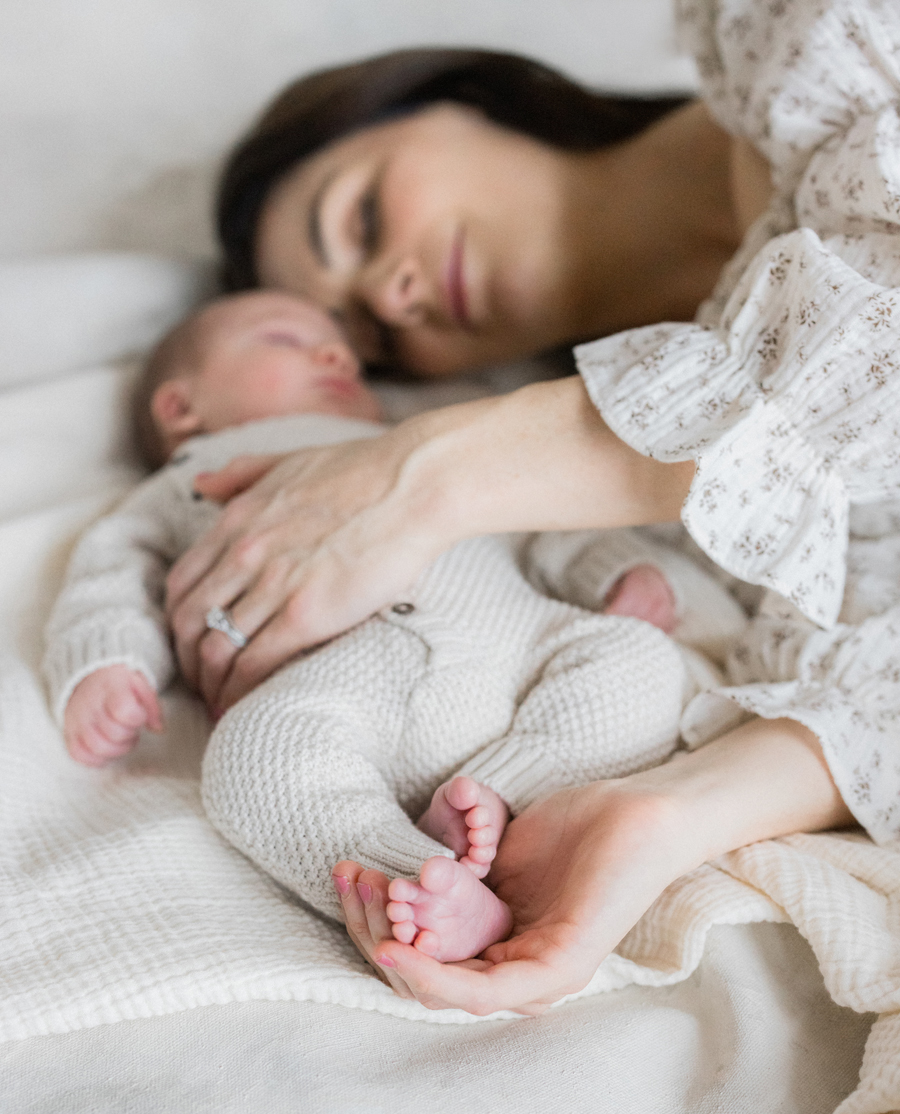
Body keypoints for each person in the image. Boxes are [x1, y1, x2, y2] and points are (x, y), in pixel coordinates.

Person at [164, 0, 899, 1014]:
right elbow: (877, 702)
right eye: (373, 341)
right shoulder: (725, 537)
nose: (394, 292)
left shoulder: (812, 29)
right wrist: (656, 816)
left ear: (460, 97)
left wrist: (421, 474)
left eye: (363, 219)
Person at [44, 288, 746, 963]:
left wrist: (615, 570)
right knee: (252, 757)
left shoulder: (416, 445)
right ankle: (411, 878)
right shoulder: (194, 477)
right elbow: (115, 564)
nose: (337, 359)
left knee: (638, 659)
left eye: (343, 351)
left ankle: (501, 796)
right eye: (290, 341)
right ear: (181, 408)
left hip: (517, 643)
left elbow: (540, 524)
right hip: (343, 689)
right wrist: (108, 661)